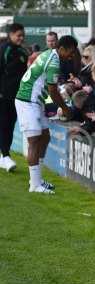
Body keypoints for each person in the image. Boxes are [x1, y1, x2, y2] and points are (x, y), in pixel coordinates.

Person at [15, 35, 77, 193]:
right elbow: (53, 91)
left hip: (35, 101)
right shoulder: (54, 62)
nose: (71, 55)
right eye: (70, 52)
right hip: (28, 101)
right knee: (34, 140)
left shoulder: (48, 54)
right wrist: (65, 108)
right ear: (62, 48)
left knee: (45, 136)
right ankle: (34, 185)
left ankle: (37, 180)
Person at [0, 23, 28, 172]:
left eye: (22, 35)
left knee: (10, 125)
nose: (21, 38)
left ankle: (4, 155)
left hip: (16, 97)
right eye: (18, 35)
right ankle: (5, 155)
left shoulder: (23, 52)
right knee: (4, 124)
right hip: (3, 96)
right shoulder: (4, 50)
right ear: (11, 35)